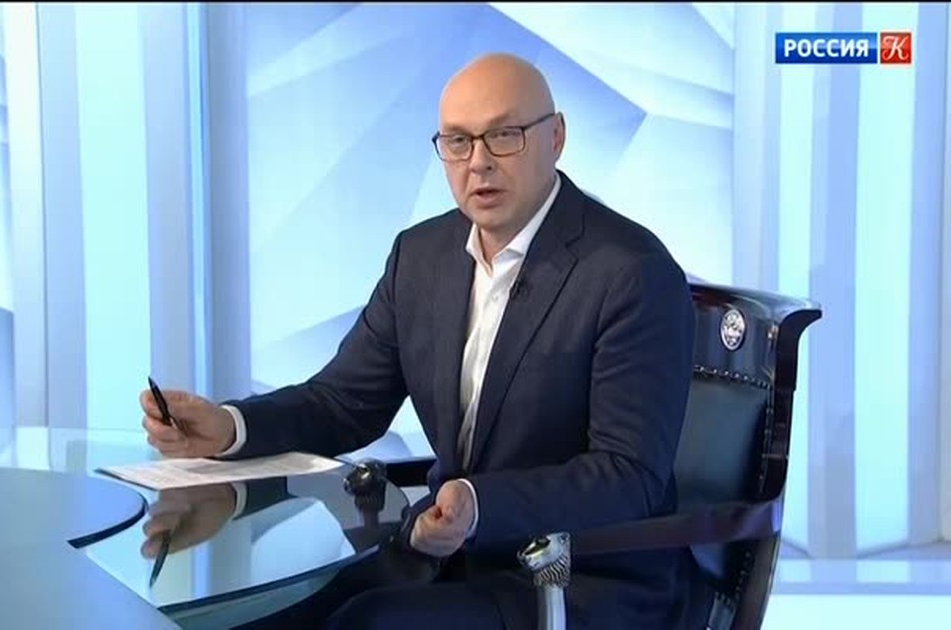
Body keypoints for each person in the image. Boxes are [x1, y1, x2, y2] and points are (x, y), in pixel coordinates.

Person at [141, 52, 707, 629]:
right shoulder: (421, 256)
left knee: (369, 625)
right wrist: (231, 426)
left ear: (556, 137)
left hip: (574, 578)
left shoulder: (631, 272)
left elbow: (627, 473)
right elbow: (343, 403)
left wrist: (479, 505)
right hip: (442, 558)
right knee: (252, 618)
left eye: (504, 136)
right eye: (458, 142)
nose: (478, 162)